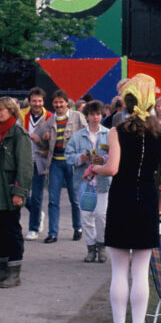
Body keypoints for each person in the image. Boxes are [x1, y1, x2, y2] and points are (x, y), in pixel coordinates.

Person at [88, 74, 161, 323]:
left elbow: (111, 168)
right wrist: (160, 205)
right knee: (140, 273)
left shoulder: (117, 130)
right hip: (147, 201)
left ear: (126, 101)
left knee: (118, 272)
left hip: (122, 200)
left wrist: (93, 168)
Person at [0, 97, 32, 288]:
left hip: (9, 188)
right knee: (1, 229)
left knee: (12, 230)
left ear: (11, 110)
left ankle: (14, 272)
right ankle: (2, 269)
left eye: (2, 109)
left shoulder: (18, 133)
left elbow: (25, 165)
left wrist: (19, 191)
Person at [37, 89, 86, 243]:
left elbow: (87, 135)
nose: (59, 105)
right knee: (53, 199)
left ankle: (78, 228)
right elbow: (44, 145)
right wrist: (44, 139)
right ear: (53, 104)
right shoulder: (50, 121)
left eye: (61, 102)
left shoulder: (77, 117)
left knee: (75, 197)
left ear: (67, 103)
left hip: (72, 162)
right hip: (55, 162)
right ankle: (53, 232)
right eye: (56, 103)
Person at [66, 100, 112, 263]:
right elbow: (68, 156)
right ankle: (90, 248)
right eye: (92, 114)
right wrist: (81, 158)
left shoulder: (108, 134)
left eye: (98, 114)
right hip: (85, 182)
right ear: (87, 116)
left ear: (102, 115)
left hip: (103, 181)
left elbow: (116, 156)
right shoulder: (78, 136)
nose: (95, 117)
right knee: (86, 216)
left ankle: (102, 246)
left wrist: (104, 159)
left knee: (101, 215)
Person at [20, 87, 52, 241]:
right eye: (34, 101)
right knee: (22, 193)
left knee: (38, 195)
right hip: (24, 159)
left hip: (40, 160)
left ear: (43, 102)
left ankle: (33, 228)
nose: (37, 104)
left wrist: (44, 140)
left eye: (39, 101)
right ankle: (37, 213)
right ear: (29, 101)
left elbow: (55, 140)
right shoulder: (22, 115)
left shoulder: (50, 117)